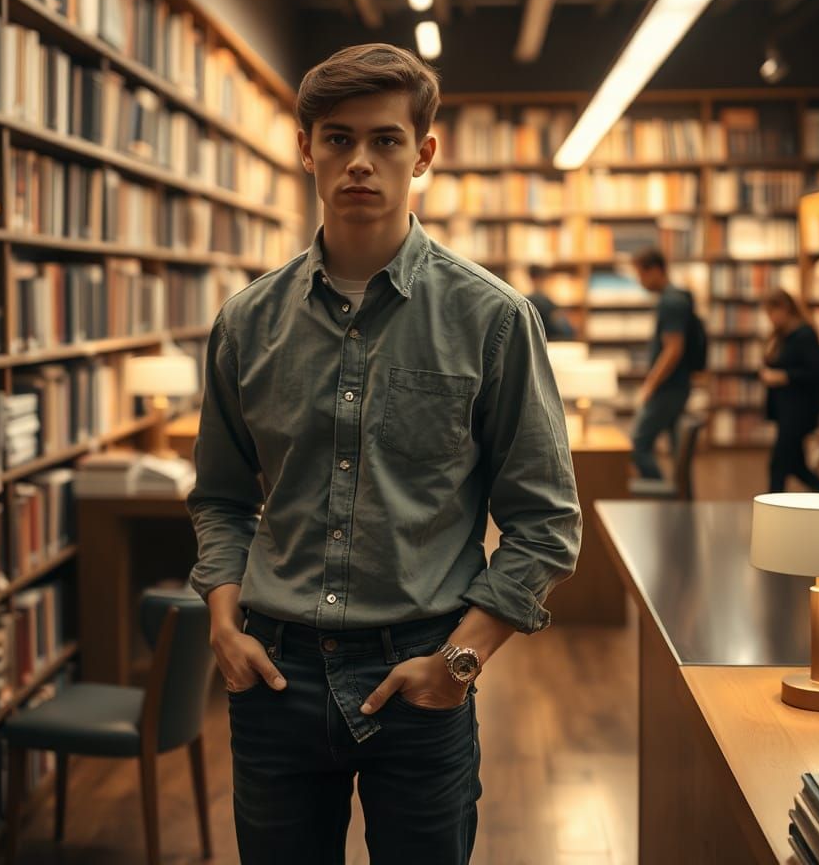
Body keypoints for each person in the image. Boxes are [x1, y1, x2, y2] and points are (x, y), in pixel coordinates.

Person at [186, 43, 581, 865]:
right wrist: (223, 621)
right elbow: (222, 496)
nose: (359, 161)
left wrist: (460, 663)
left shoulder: (495, 319)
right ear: (306, 150)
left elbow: (546, 523)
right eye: (336, 139)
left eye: (386, 140)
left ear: (423, 153)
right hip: (273, 677)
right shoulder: (246, 323)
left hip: (422, 676)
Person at [630, 247, 696, 479]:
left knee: (637, 443)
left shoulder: (671, 302)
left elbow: (673, 349)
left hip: (669, 387)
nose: (640, 281)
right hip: (676, 385)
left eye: (641, 274)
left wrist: (651, 384)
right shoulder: (678, 297)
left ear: (656, 270)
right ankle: (679, 497)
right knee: (679, 449)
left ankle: (660, 493)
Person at [760, 288, 819, 493]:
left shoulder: (805, 335)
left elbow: (817, 372)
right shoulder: (782, 335)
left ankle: (773, 512)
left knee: (778, 466)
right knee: (796, 467)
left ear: (784, 309)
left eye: (772, 313)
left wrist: (784, 376)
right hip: (786, 411)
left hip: (798, 411)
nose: (770, 319)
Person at [525, 265, 576, 339]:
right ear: (541, 279)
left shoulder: (526, 301)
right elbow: (565, 331)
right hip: (550, 343)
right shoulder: (544, 302)